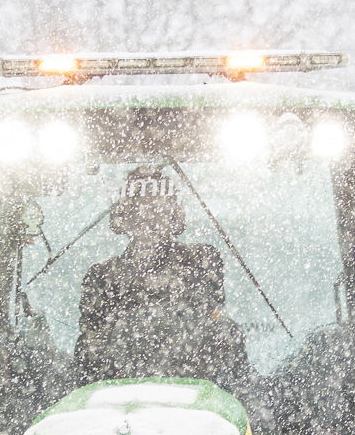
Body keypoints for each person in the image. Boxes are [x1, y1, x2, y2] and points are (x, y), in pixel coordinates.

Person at [74, 166, 250, 388]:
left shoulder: (201, 261)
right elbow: (92, 345)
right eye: (137, 213)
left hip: (196, 397)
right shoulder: (102, 276)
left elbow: (211, 320)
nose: (147, 220)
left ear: (174, 217)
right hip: (120, 399)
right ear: (123, 219)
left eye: (156, 211)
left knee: (227, 332)